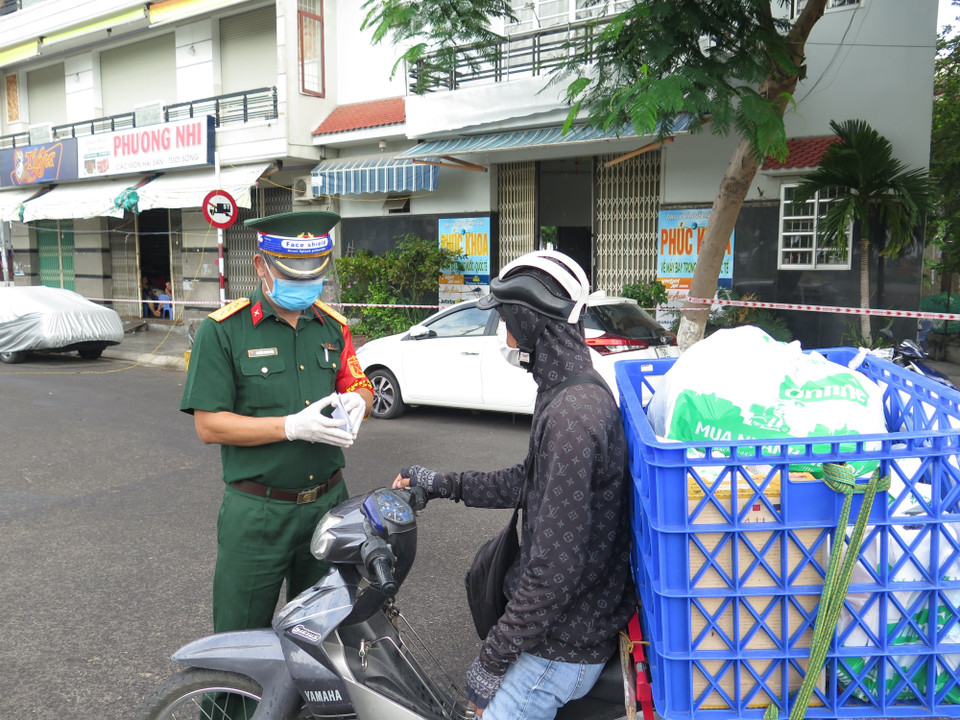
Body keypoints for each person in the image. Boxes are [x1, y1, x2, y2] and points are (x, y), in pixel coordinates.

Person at [393, 250, 635, 720]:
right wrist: (442, 484)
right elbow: (527, 482)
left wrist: (492, 660)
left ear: (528, 321)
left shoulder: (571, 416)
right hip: (571, 625)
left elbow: (552, 571)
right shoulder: (570, 388)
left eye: (505, 318)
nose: (502, 334)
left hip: (560, 649)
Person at [180, 210, 374, 640]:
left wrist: (359, 401)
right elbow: (210, 426)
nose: (305, 285)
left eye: (313, 276)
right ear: (261, 266)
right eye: (294, 275)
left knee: (322, 636)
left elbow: (357, 382)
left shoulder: (332, 326)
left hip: (328, 506)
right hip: (258, 512)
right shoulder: (224, 331)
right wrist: (290, 427)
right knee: (238, 642)